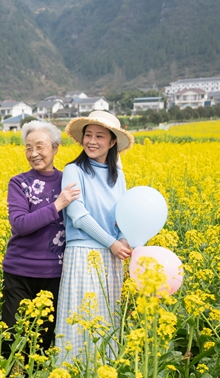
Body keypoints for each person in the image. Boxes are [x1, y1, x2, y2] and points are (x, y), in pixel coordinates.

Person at [56, 111, 134, 360]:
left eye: (99, 136)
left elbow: (123, 214)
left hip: (112, 256)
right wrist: (112, 242)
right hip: (83, 254)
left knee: (106, 321)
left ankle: (105, 377)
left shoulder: (118, 176)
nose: (92, 141)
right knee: (80, 319)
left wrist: (123, 239)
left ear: (112, 142)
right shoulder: (73, 170)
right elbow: (78, 215)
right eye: (88, 135)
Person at [1, 120, 80, 359]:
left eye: (40, 146)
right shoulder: (19, 182)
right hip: (19, 270)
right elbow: (20, 224)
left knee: (45, 338)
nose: (33, 153)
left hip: (54, 273)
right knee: (12, 336)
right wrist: (58, 205)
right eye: (28, 148)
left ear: (55, 148)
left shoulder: (69, 180)